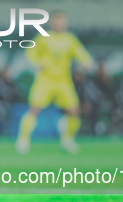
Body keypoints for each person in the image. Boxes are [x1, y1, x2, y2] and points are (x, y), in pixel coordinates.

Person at [15, 11, 93, 154]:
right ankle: (23, 139)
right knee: (34, 109)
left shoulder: (70, 39)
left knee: (74, 111)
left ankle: (67, 140)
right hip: (45, 79)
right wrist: (37, 63)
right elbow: (30, 53)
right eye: (57, 21)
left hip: (63, 81)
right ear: (52, 23)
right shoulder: (43, 38)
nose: (59, 24)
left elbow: (81, 54)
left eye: (62, 22)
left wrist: (86, 63)